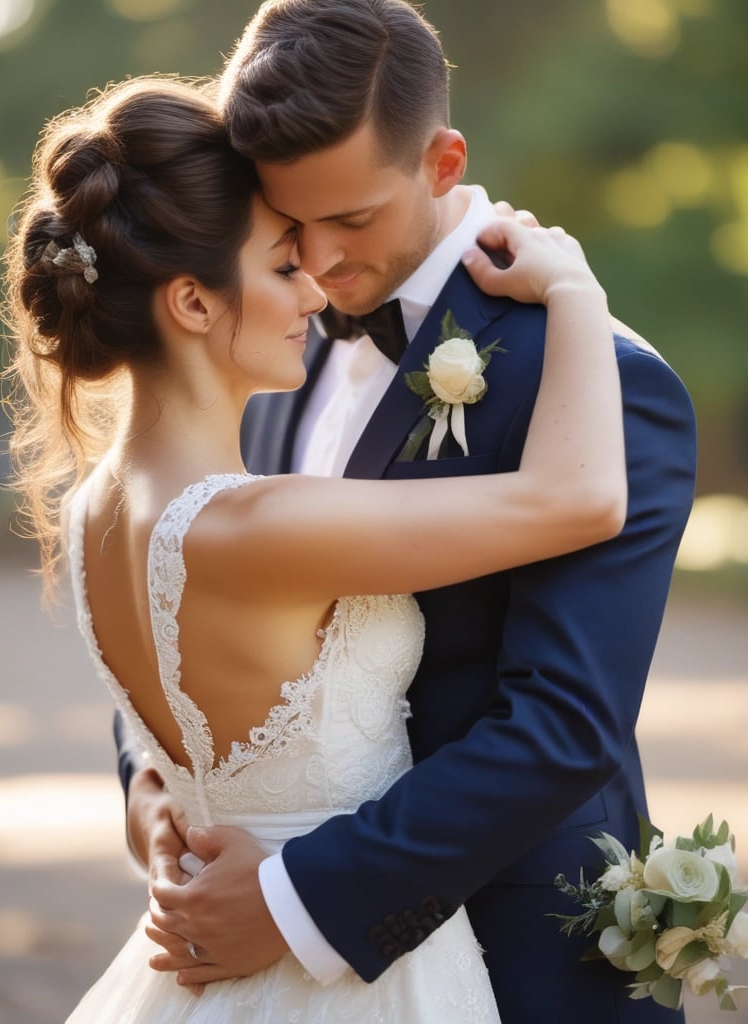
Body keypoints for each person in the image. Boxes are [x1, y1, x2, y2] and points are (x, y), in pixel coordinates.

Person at [3, 75, 629, 1022]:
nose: (318, 288)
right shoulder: (257, 525)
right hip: (343, 976)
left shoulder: (92, 507)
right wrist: (575, 288)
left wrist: (156, 814)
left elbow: (175, 742)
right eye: (282, 265)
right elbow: (579, 498)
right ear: (194, 304)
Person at [124, 3, 698, 1022]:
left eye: (352, 219)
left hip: (514, 954)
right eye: (286, 226)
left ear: (442, 162)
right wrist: (160, 782)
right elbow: (181, 569)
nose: (319, 264)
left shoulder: (609, 384)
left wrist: (294, 898)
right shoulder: (263, 344)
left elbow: (564, 723)